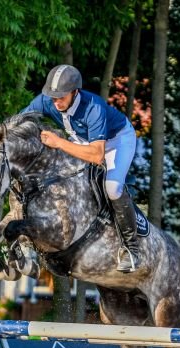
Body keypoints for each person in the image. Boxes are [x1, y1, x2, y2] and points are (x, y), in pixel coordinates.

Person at [23, 64, 140, 273]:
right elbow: (18, 123)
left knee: (112, 188)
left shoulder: (93, 107)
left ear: (75, 92)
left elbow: (96, 155)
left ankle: (131, 249)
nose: (56, 102)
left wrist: (59, 142)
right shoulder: (46, 100)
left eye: (61, 97)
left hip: (117, 140)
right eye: (53, 97)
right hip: (82, 141)